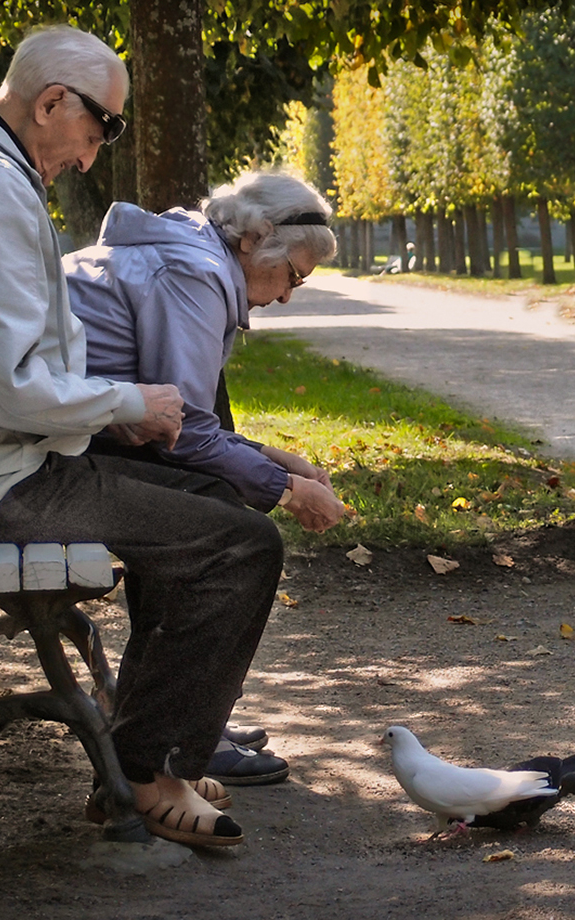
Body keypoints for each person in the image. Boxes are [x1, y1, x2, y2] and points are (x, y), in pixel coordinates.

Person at [0, 25, 271, 849]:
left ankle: (155, 748)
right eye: (99, 128)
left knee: (214, 499)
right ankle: (144, 771)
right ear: (50, 103)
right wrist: (126, 403)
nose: (91, 155)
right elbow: (8, 387)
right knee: (241, 545)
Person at [63, 171, 347, 786]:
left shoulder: (190, 251)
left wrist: (272, 459)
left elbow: (182, 419)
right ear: (256, 238)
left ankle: (176, 720)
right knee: (233, 534)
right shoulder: (193, 272)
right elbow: (183, 431)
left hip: (74, 440)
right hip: (54, 458)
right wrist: (288, 489)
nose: (288, 295)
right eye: (294, 276)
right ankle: (168, 741)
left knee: (214, 503)